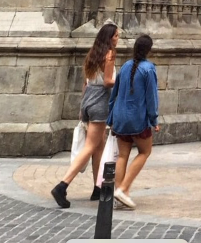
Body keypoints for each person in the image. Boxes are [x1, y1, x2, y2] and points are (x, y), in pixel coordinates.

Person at [53, 21, 119, 208]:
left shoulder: (92, 54)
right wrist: (121, 82)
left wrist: (82, 107)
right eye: (116, 36)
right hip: (100, 101)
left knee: (99, 145)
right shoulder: (109, 54)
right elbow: (107, 82)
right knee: (90, 146)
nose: (118, 39)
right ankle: (62, 185)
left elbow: (86, 83)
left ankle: (98, 188)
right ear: (109, 38)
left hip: (88, 100)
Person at [109, 32, 161, 210]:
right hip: (137, 118)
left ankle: (119, 194)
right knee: (144, 152)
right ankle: (123, 190)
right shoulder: (148, 69)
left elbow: (113, 94)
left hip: (120, 117)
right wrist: (154, 120)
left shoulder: (125, 66)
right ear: (149, 50)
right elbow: (151, 98)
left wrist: (111, 117)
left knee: (122, 155)